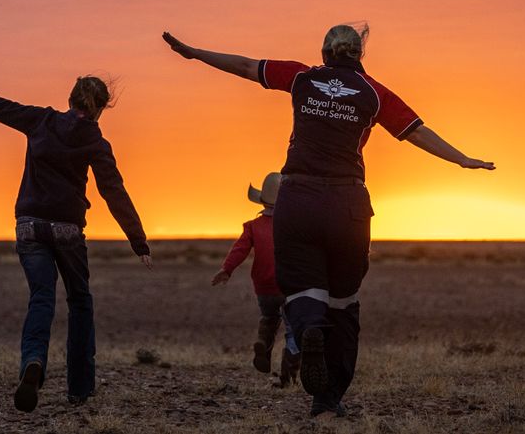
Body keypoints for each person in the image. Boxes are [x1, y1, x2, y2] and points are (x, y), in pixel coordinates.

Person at [163, 23, 494, 417]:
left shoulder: (303, 77)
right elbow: (416, 133)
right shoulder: (374, 93)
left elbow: (246, 66)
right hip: (348, 203)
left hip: (298, 198)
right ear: (359, 55)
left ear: (324, 52)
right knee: (343, 300)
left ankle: (308, 332)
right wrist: (461, 158)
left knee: (302, 289)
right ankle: (329, 395)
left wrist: (196, 52)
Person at [0, 64, 153, 412]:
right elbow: (114, 192)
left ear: (70, 98)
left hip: (29, 226)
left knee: (41, 298)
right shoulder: (95, 140)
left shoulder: (41, 121)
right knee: (80, 302)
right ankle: (79, 388)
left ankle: (33, 361)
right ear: (102, 107)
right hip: (67, 230)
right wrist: (139, 242)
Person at [210, 172, 300, 386]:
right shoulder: (294, 224)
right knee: (293, 327)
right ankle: (289, 375)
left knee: (269, 318)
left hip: (264, 286)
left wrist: (226, 269)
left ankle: (263, 343)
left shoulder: (253, 227)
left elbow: (239, 249)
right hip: (289, 285)